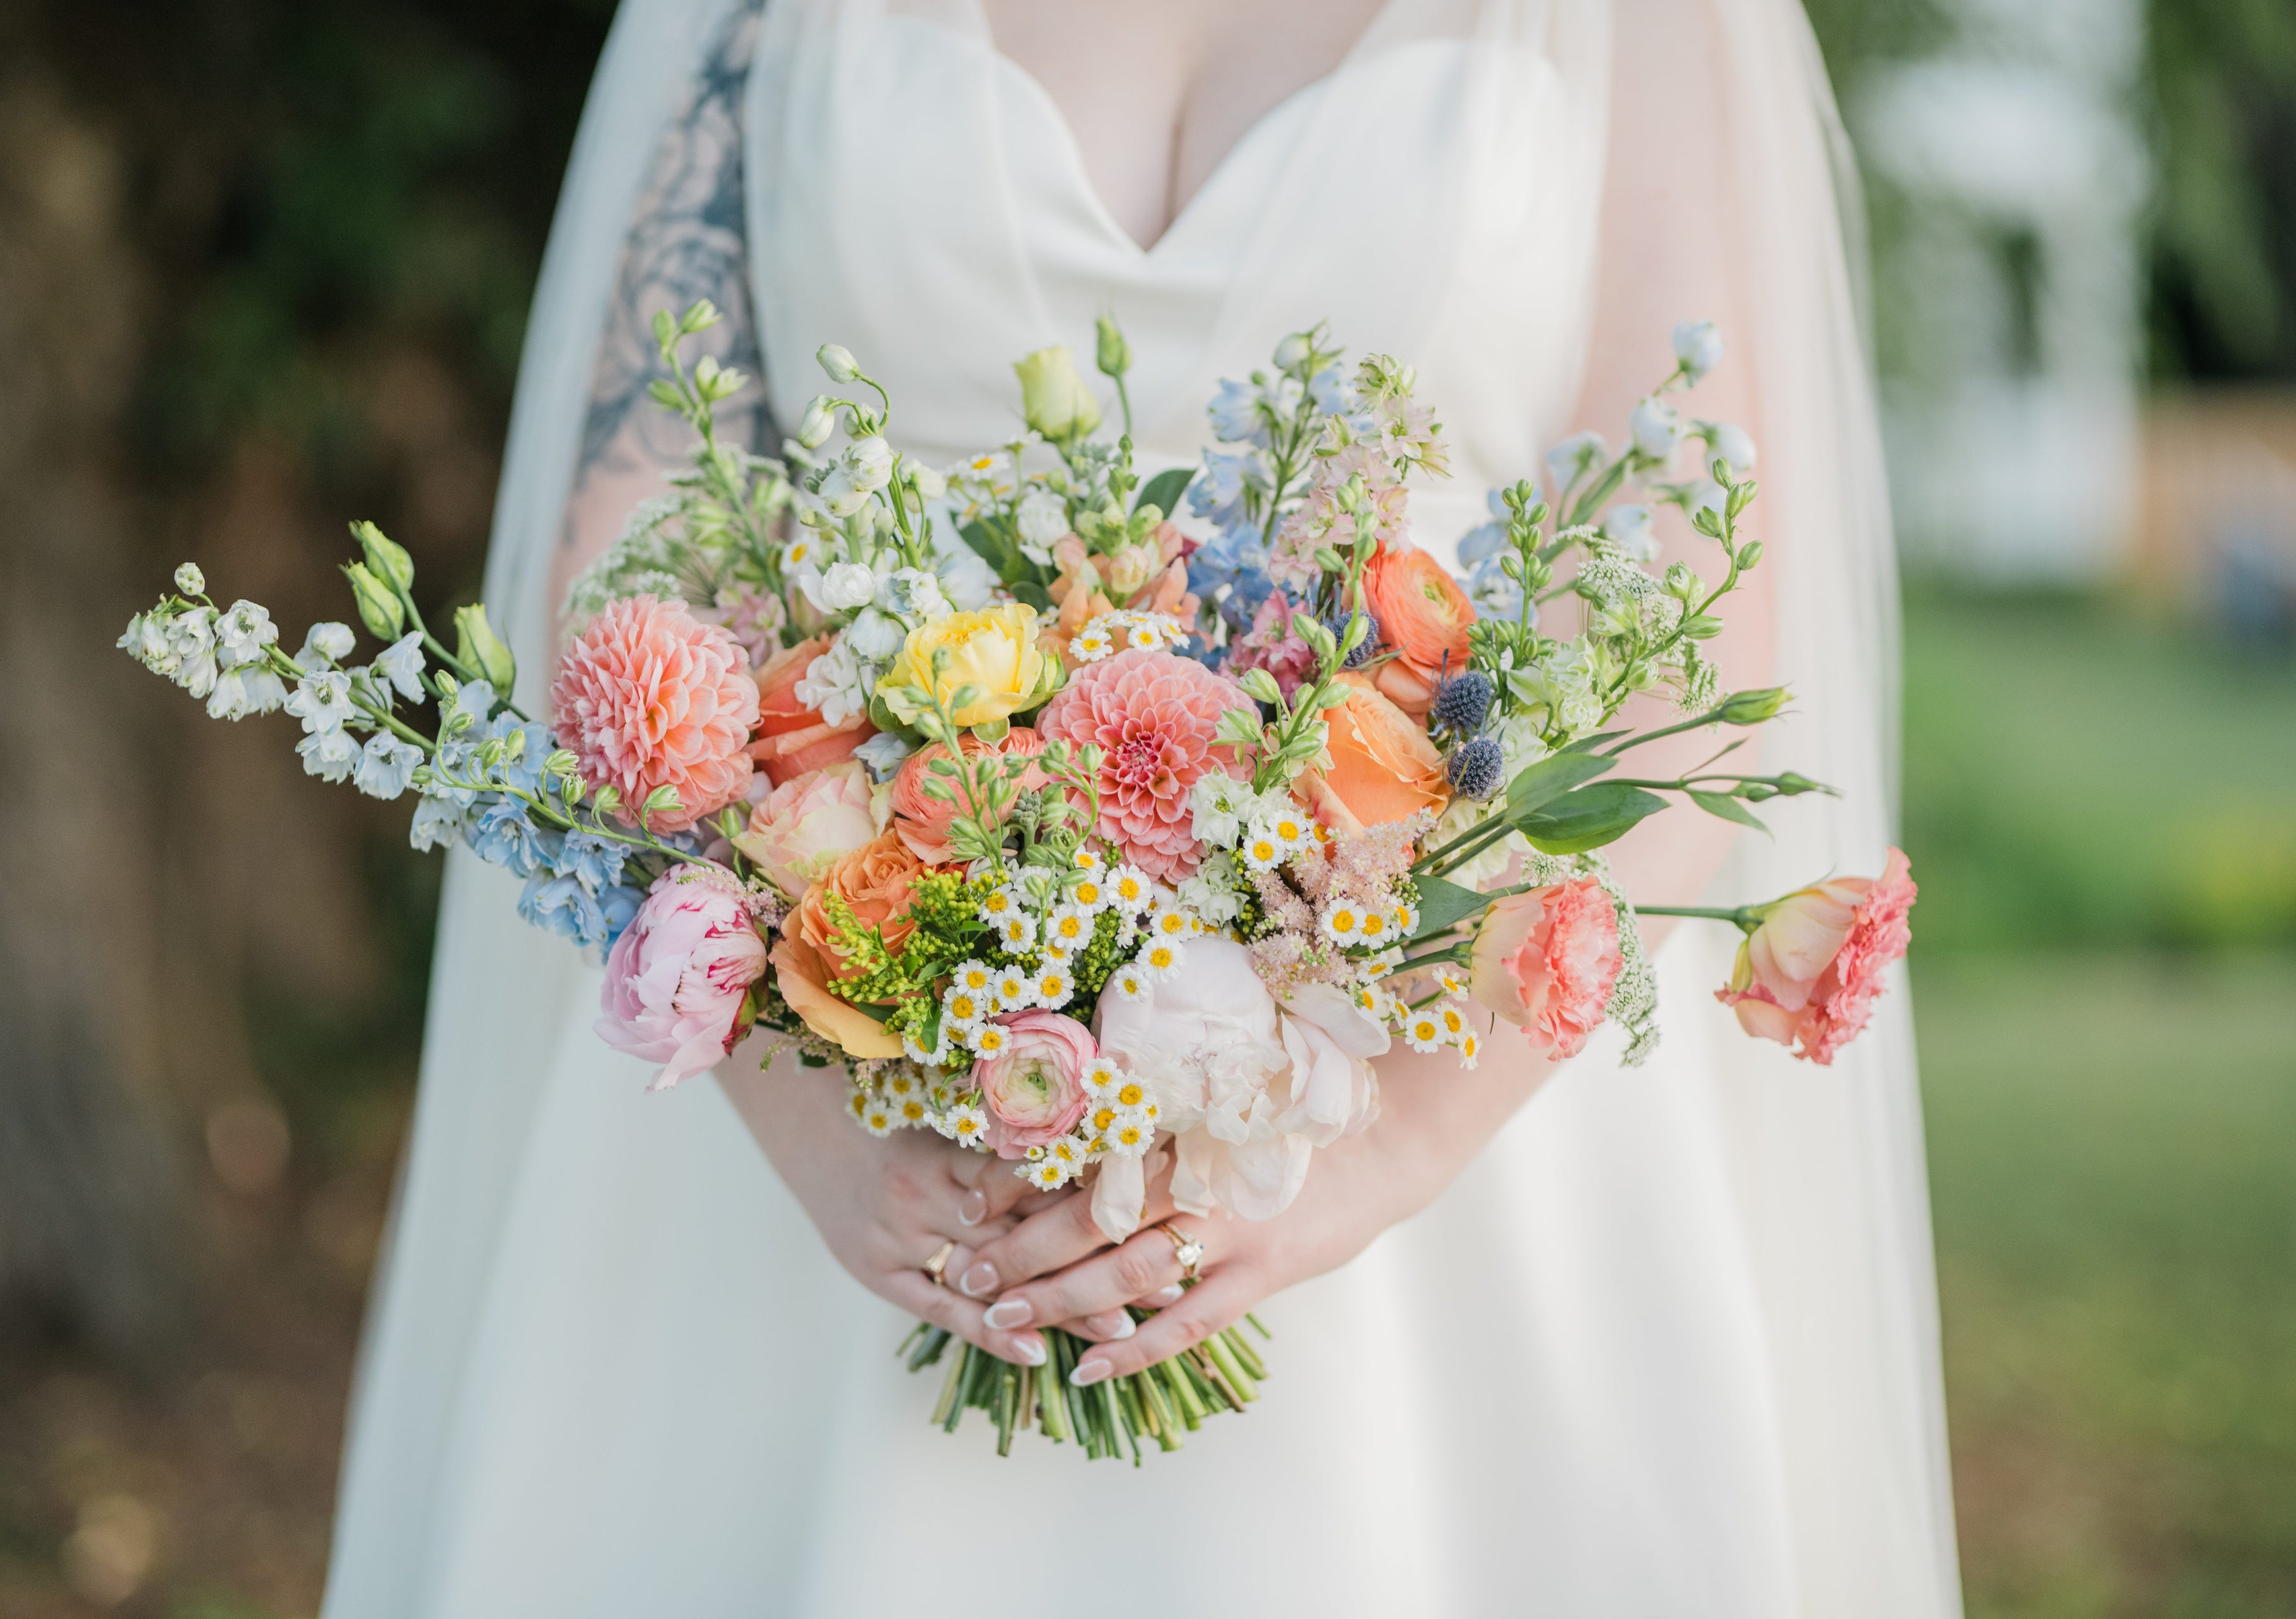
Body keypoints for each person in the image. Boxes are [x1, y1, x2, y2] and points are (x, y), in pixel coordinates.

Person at [321, 2, 1961, 1613]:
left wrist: (1375, 1146)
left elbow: (1693, 573)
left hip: (1442, 1074)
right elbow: (632, 524)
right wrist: (801, 1094)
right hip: (823, 1072)